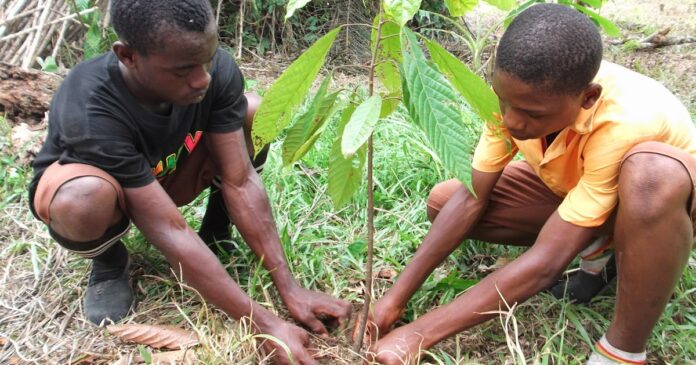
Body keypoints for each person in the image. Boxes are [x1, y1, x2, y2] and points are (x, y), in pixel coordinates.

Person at [360, 4, 695, 364]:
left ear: (588, 98)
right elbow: (473, 198)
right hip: (585, 192)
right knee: (444, 202)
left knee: (651, 174)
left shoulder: (627, 118)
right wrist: (393, 300)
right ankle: (600, 247)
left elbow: (548, 260)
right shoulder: (522, 94)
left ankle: (622, 351)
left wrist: (417, 335)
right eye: (505, 103)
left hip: (664, 208)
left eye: (533, 115)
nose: (513, 122)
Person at [28, 1, 350, 364]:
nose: (202, 79)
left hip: (168, 173)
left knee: (253, 114)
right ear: (128, 56)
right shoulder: (91, 103)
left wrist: (289, 288)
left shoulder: (215, 73)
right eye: (183, 70)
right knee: (82, 199)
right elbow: (168, 227)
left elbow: (240, 179)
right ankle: (108, 263)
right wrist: (265, 324)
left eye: (208, 60)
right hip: (105, 190)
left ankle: (217, 228)